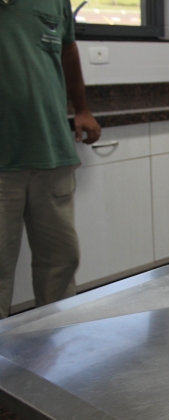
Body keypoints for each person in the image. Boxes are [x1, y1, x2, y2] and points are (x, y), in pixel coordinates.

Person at [0, 0, 101, 320]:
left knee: (60, 262)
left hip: (51, 154)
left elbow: (68, 51)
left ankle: (57, 339)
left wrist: (82, 109)